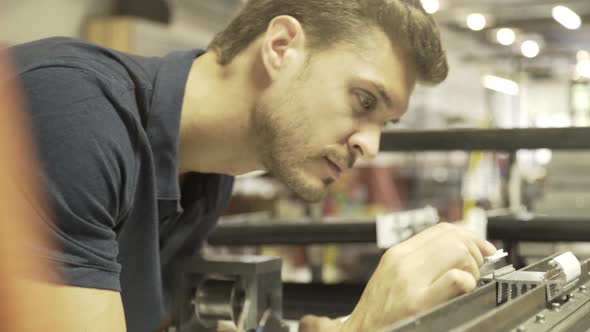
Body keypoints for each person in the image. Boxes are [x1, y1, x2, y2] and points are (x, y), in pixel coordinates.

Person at [8, 0, 497, 331]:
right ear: (281, 46)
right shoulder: (70, 111)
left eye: (386, 123)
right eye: (364, 99)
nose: (370, 145)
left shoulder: (204, 178)